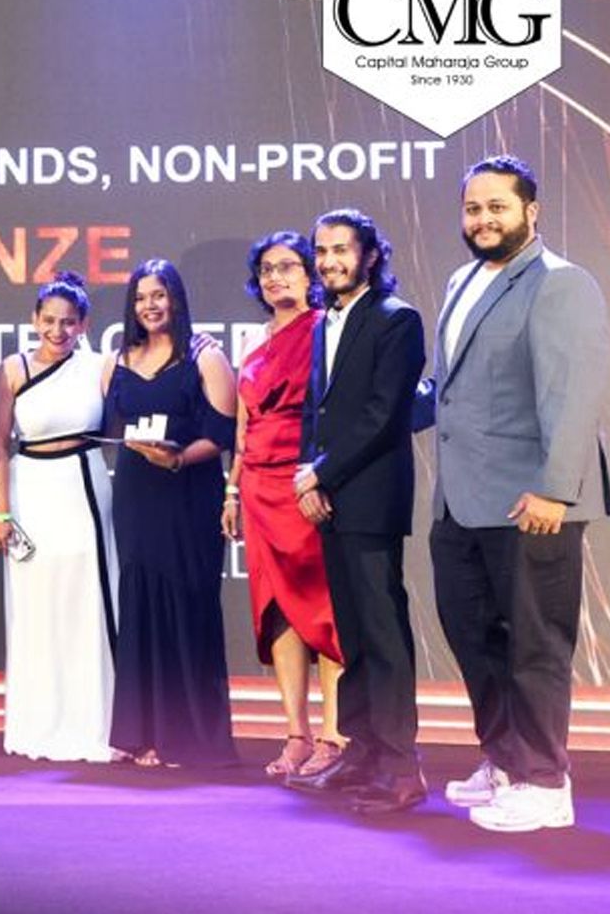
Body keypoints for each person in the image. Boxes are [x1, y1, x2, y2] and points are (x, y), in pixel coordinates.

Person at [430, 155, 610, 832]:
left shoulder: (560, 282)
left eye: (497, 207)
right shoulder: (462, 281)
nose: (483, 220)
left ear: (530, 212)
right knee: (473, 634)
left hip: (533, 501)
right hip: (461, 499)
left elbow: (573, 395)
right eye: (473, 208)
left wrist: (555, 490)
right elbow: (454, 387)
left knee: (534, 644)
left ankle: (545, 782)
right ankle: (506, 761)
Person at [284, 210, 427, 815]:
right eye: (321, 251)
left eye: (341, 250)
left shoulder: (397, 319)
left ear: (370, 255)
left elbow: (383, 415)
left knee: (383, 634)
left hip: (371, 497)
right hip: (331, 499)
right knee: (354, 634)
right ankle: (362, 752)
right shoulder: (324, 322)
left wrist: (321, 473)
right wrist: (307, 474)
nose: (329, 261)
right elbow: (315, 410)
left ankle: (401, 766)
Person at [101, 259, 238, 768]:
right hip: (136, 494)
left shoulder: (205, 355)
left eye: (158, 295)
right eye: (141, 297)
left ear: (176, 299)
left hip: (188, 493)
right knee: (140, 604)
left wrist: (178, 457)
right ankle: (142, 734)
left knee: (186, 604)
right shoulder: (118, 359)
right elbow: (112, 423)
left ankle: (191, 737)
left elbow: (223, 435)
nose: (149, 305)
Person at [221, 232, 345, 777]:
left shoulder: (325, 329)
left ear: (310, 273)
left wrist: (320, 478)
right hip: (258, 489)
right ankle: (296, 734)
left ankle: (334, 736)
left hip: (304, 484)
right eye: (267, 269)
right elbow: (244, 426)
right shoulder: (254, 341)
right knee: (277, 612)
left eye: (288, 266)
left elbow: (333, 414)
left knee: (321, 609)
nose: (276, 277)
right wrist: (232, 489)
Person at [0, 272, 120, 762]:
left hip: (85, 487)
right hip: (31, 493)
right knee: (36, 609)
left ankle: (96, 725)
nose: (58, 331)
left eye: (68, 322)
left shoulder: (101, 366)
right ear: (34, 320)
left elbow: (123, 422)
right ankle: (38, 725)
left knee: (88, 605)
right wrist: (1, 512)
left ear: (83, 324)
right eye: (49, 320)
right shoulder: (13, 368)